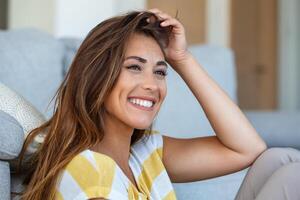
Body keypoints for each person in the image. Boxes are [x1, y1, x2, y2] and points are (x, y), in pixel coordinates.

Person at [17, 9, 300, 200]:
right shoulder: (89, 171)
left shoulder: (143, 153)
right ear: (97, 76)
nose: (152, 84)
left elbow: (248, 149)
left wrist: (182, 59)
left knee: (281, 159)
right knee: (292, 177)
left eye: (160, 71)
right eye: (134, 67)